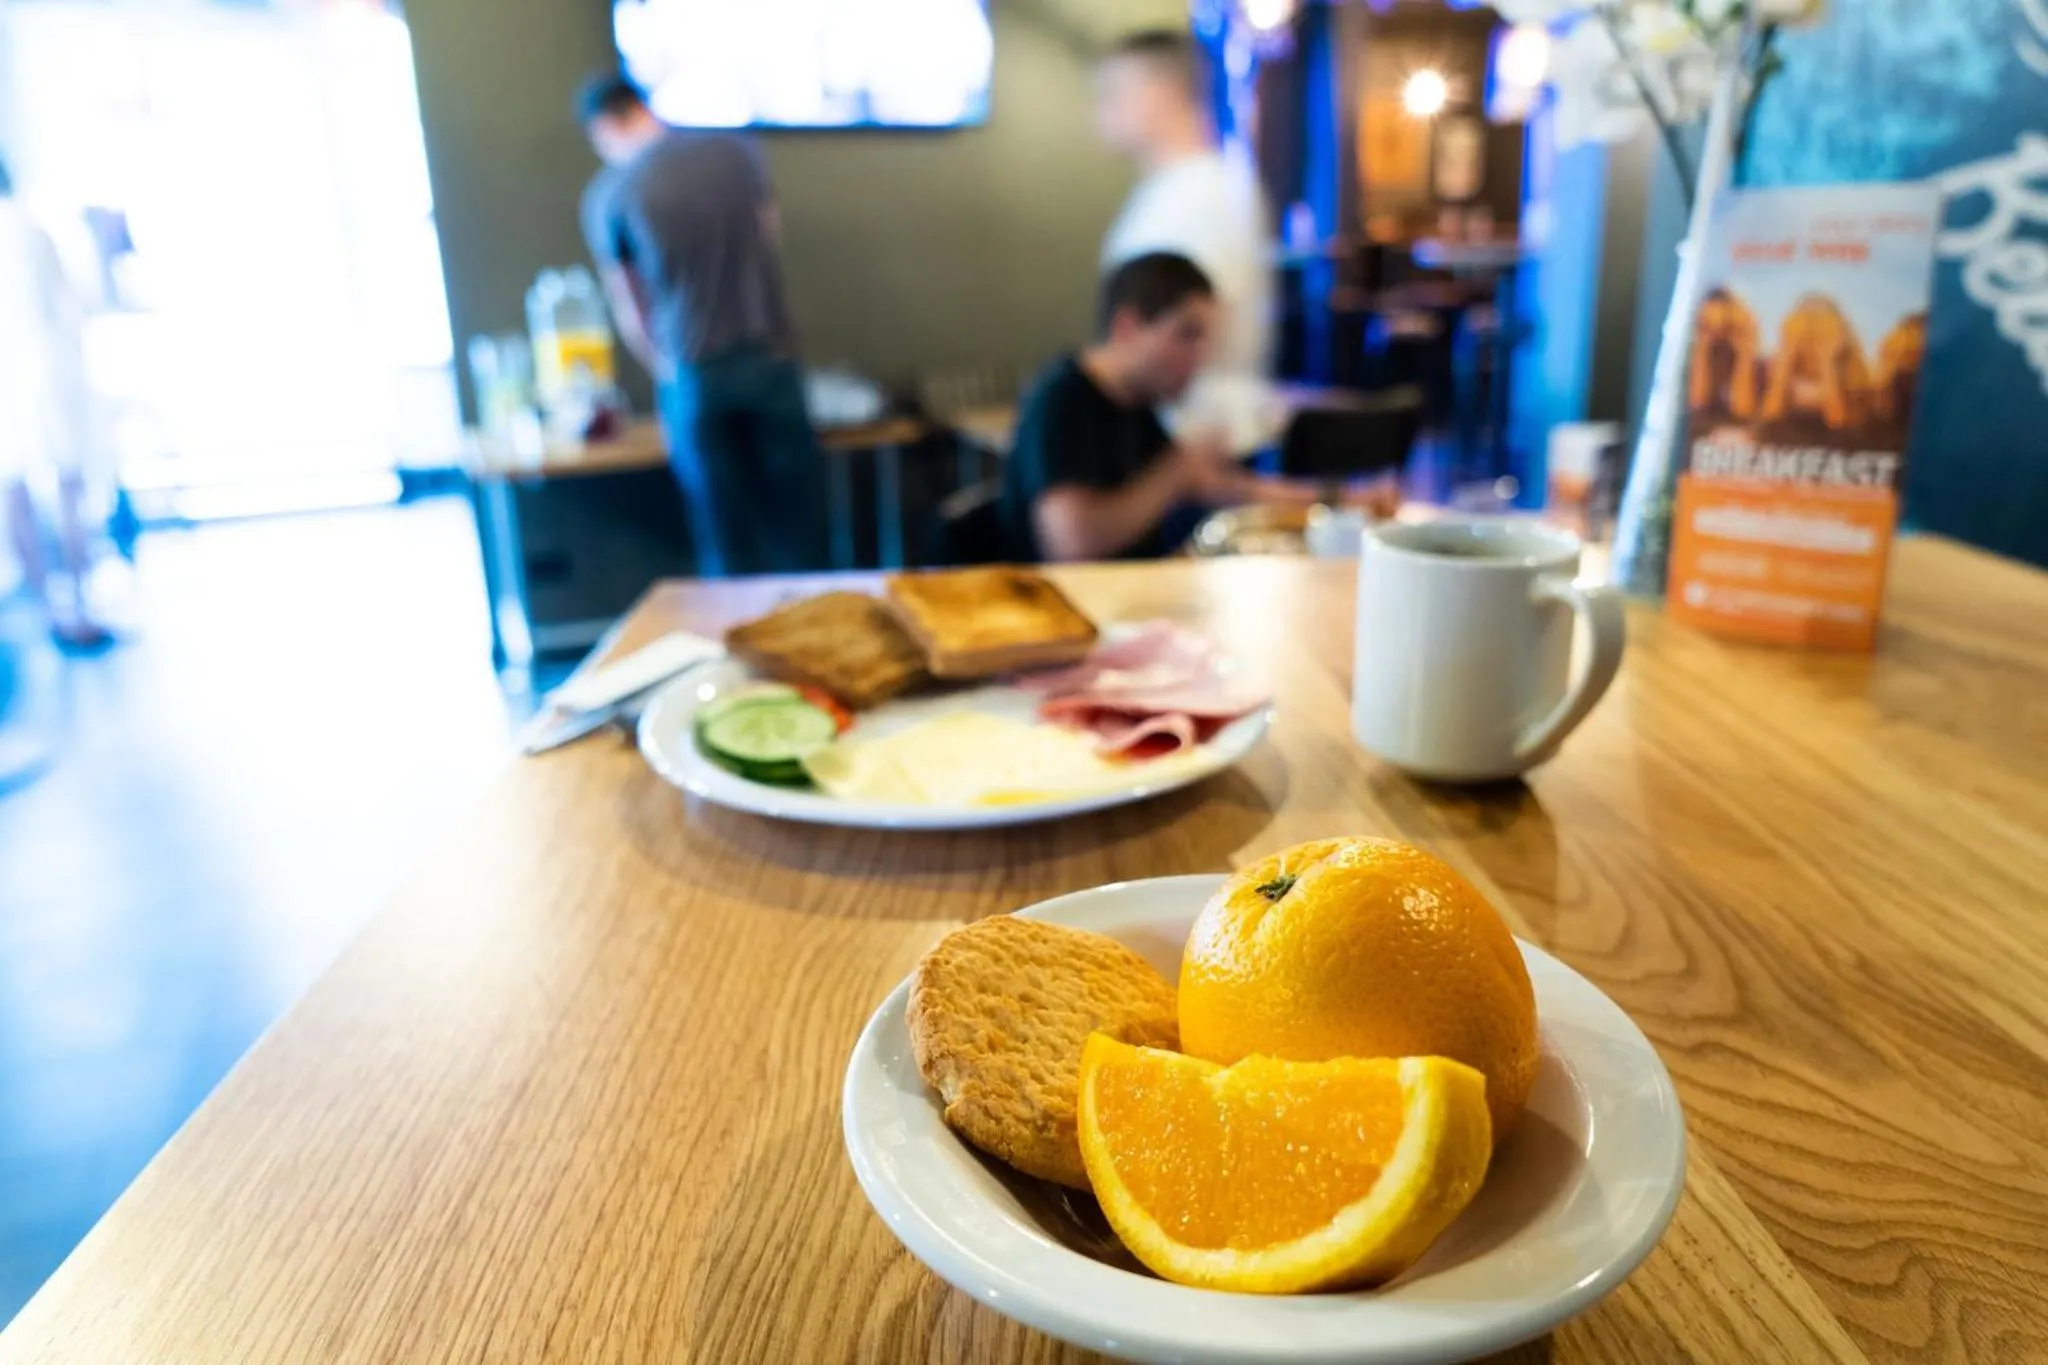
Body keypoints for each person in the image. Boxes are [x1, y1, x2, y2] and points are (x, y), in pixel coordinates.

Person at [575, 73, 827, 576]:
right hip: (772, 355)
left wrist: (666, 368)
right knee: (801, 530)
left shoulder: (611, 195)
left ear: (606, 128)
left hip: (694, 371)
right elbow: (768, 234)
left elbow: (630, 305)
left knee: (726, 537)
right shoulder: (735, 153)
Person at [1003, 253, 1323, 563]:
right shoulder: (1061, 399)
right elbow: (1072, 545)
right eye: (1187, 334)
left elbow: (1219, 486)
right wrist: (1176, 471)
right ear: (1127, 327)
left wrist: (1335, 499)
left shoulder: (1137, 403)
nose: (1199, 357)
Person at [1095, 30, 1276, 443]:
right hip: (1181, 436)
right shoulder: (1184, 188)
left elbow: (1191, 325)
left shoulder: (1200, 194)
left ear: (1162, 93)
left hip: (1191, 440)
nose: (1100, 112)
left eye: (1114, 94)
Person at [0, 154, 111, 651]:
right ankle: (80, 602)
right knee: (65, 486)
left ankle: (50, 606)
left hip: (20, 385)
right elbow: (69, 310)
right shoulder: (30, 232)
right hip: (47, 382)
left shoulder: (27, 232)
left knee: (17, 492)